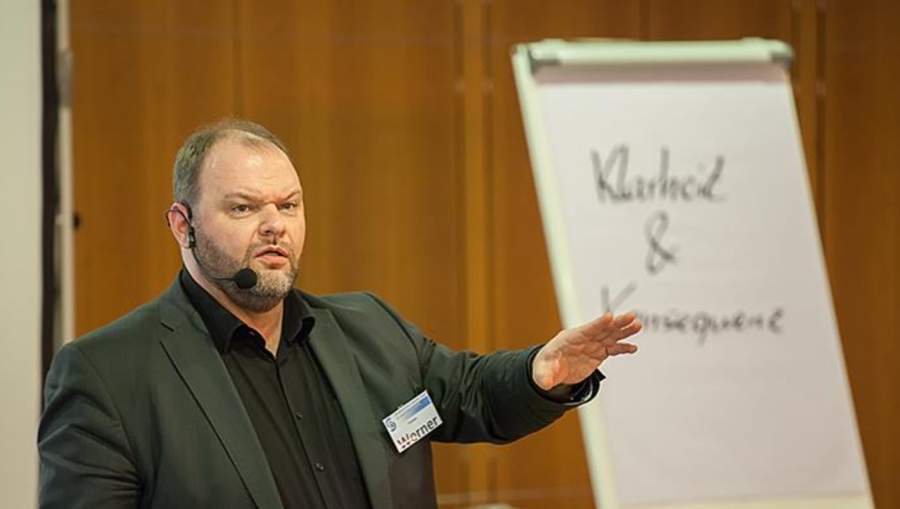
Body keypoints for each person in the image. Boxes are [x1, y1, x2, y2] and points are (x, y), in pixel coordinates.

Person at [38, 119, 641, 509]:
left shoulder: (368, 330)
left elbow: (467, 393)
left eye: (289, 204)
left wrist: (543, 369)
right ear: (183, 225)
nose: (275, 224)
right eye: (245, 207)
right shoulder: (106, 374)